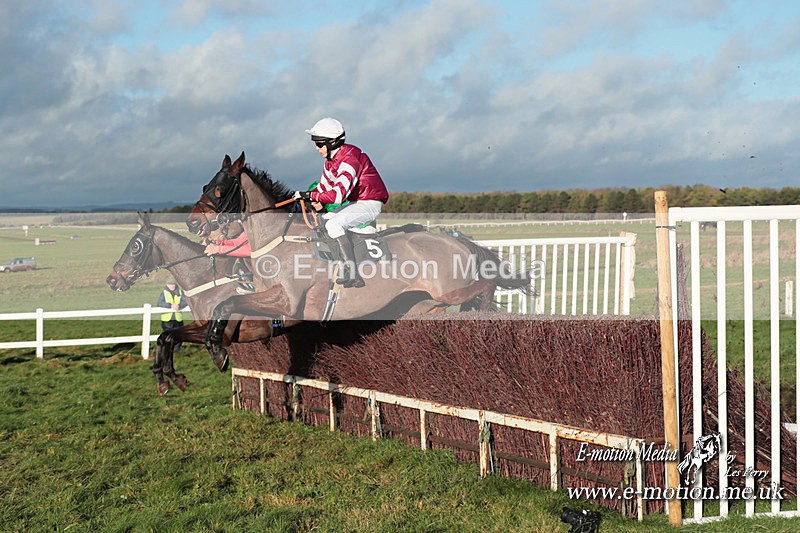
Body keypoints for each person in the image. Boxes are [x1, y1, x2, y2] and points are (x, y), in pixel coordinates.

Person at [294, 117, 389, 288]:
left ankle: (353, 272)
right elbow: (323, 188)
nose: (317, 149)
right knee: (325, 220)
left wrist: (311, 195)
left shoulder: (349, 159)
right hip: (359, 202)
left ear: (332, 143)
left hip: (370, 203)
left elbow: (338, 195)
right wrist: (306, 197)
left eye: (319, 144)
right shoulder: (331, 162)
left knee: (334, 225)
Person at [157, 278, 187, 349]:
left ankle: (177, 349)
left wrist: (179, 305)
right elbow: (160, 303)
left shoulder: (180, 292)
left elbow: (185, 302)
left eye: (173, 284)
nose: (172, 286)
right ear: (167, 285)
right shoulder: (164, 293)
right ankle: (167, 348)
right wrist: (170, 305)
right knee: (167, 334)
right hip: (167, 319)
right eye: (170, 284)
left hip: (178, 318)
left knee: (179, 334)